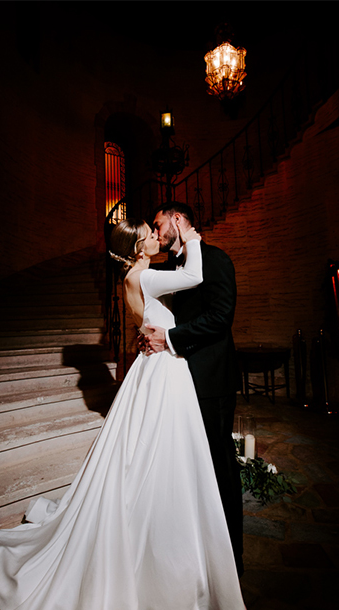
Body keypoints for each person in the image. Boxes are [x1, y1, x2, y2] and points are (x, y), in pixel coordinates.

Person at [0, 217, 249, 610]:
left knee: (158, 462)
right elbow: (193, 276)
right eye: (150, 234)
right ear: (136, 245)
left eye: (158, 232)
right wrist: (192, 239)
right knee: (157, 462)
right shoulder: (145, 273)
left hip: (161, 371)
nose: (158, 237)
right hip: (163, 375)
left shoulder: (136, 277)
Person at [142, 202, 244, 577]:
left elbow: (220, 317)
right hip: (178, 384)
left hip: (210, 379)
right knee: (188, 468)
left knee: (218, 463)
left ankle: (231, 558)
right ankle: (193, 551)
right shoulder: (171, 267)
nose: (157, 232)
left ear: (178, 220)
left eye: (159, 224)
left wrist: (168, 337)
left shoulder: (215, 259)